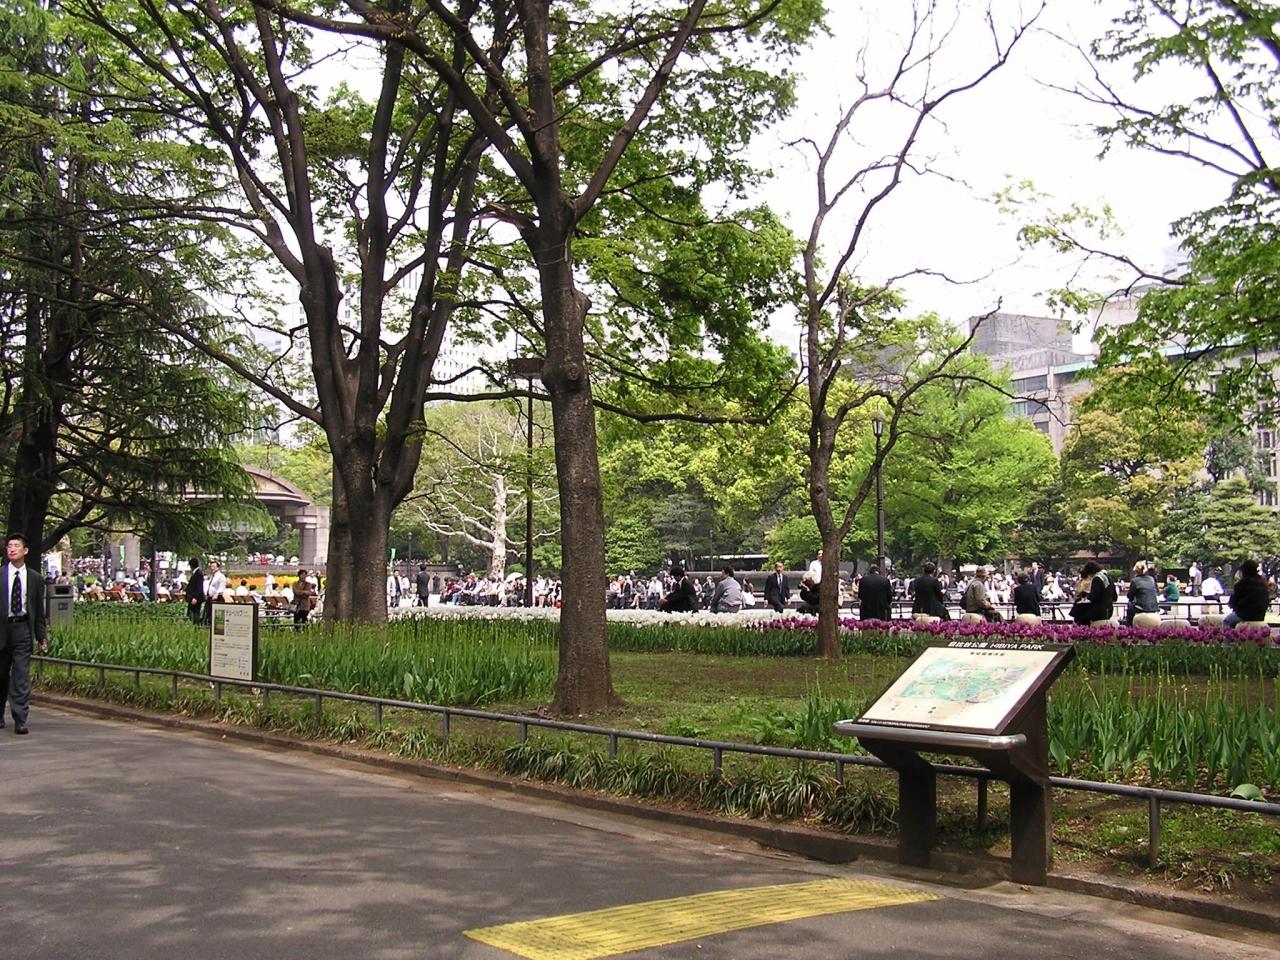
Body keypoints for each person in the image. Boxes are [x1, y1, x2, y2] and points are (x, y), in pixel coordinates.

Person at [1, 533, 48, 735]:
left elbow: (39, 611)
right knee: (1, 675)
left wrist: (41, 636)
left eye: (16, 546)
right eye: (9, 546)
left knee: (21, 676)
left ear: (25, 550)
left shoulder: (35, 578)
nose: (12, 549)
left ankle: (20, 719)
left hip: (23, 629)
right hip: (2, 629)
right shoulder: (1, 575)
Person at [1070, 560, 1118, 625]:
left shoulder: (1097, 578)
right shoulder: (1108, 577)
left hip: (1100, 611)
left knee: (1080, 613)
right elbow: (1115, 597)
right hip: (1109, 609)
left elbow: (1093, 597)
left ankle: (1081, 629)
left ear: (1091, 572)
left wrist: (1086, 595)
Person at [1225, 559, 1270, 628]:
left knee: (1226, 621)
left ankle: (1228, 635)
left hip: (1244, 615)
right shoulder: (1263, 583)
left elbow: (1232, 602)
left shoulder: (1242, 584)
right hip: (1260, 616)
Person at [1125, 561, 1160, 626]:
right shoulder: (1151, 579)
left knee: (1129, 604)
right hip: (1153, 608)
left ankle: (1129, 626)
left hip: (1141, 608)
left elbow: (1130, 596)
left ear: (1135, 571)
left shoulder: (1135, 580)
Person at [183, 557, 205, 625]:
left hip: (195, 598)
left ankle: (196, 626)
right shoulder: (195, 573)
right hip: (192, 597)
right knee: (191, 613)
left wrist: (195, 597)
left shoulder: (198, 573)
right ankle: (193, 625)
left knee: (195, 614)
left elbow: (199, 587)